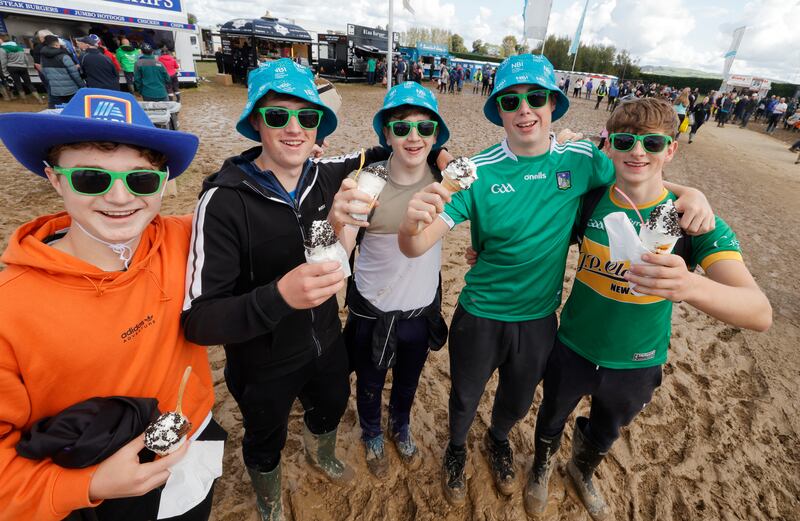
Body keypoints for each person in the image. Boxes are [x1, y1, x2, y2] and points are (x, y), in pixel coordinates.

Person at [396, 53, 714, 506]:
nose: (524, 109)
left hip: (540, 319)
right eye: (511, 101)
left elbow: (637, 176)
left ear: (553, 104)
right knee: (465, 396)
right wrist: (411, 227)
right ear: (499, 109)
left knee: (518, 400)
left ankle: (497, 439)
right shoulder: (477, 170)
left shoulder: (581, 158)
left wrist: (691, 192)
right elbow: (416, 245)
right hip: (481, 313)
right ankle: (456, 449)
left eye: (536, 98)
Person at [179, 61, 449, 520]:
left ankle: (321, 453)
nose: (294, 128)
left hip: (326, 343)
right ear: (256, 121)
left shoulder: (333, 174)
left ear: (319, 124)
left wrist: (444, 157)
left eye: (306, 116)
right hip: (262, 360)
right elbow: (199, 320)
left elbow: (401, 145)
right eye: (278, 115)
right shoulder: (223, 200)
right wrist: (279, 295)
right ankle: (269, 500)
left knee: (330, 406)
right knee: (265, 437)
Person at [524, 97, 771, 519]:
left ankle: (582, 470)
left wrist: (690, 284)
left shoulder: (690, 220)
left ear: (671, 149)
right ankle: (541, 467)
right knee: (551, 416)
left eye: (652, 143)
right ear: (609, 146)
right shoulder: (588, 201)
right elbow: (536, 211)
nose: (638, 151)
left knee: (606, 430)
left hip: (637, 359)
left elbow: (759, 312)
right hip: (574, 344)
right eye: (625, 141)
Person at [0, 87, 224, 520]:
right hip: (92, 489)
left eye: (141, 179)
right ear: (54, 178)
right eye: (91, 178)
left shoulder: (184, 240)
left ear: (163, 182)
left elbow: (258, 220)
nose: (120, 198)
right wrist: (89, 485)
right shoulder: (9, 309)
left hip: (191, 440)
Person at [327, 83, 450, 479]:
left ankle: (400, 425)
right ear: (386, 133)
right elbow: (343, 246)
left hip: (419, 311)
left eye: (424, 128)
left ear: (436, 134)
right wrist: (336, 229)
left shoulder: (445, 180)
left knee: (409, 380)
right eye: (401, 127)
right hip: (371, 309)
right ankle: (372, 433)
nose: (413, 137)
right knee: (369, 380)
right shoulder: (367, 182)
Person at [40, 34, 85, 108]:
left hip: (55, 91)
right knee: (74, 109)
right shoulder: (64, 56)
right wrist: (82, 86)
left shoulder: (43, 58)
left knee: (58, 111)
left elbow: (44, 73)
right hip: (71, 90)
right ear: (57, 44)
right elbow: (75, 74)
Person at [0, 36, 44, 103]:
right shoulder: (19, 48)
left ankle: (24, 100)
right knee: (29, 83)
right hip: (23, 67)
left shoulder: (2, 49)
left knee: (18, 83)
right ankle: (39, 99)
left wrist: (4, 71)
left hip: (12, 68)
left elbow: (3, 61)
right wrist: (26, 66)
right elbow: (26, 59)